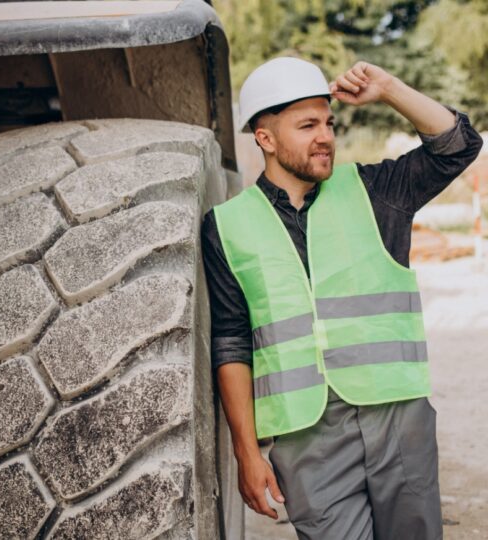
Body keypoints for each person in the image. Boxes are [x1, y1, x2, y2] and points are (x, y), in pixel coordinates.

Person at [201, 57, 482, 539]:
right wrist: (247, 452)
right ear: (265, 138)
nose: (325, 136)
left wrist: (390, 88)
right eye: (307, 125)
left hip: (397, 417)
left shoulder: (375, 192)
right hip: (307, 438)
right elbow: (231, 343)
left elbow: (457, 146)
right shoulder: (226, 226)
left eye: (328, 123)